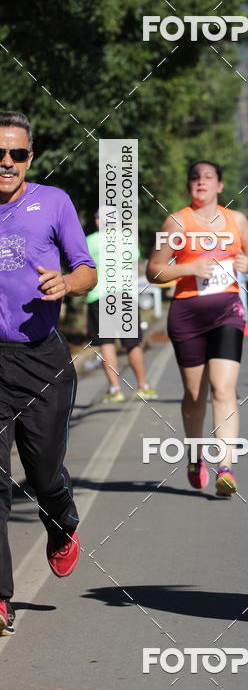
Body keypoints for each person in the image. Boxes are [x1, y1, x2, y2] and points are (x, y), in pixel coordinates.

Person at [0, 111, 97, 637]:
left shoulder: (52, 203)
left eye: (16, 153)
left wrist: (67, 283)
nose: (6, 163)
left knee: (41, 474)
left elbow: (87, 268)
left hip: (40, 358)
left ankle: (61, 519)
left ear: (29, 158)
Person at [146, 160, 248, 496]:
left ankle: (225, 466)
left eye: (208, 177)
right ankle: (196, 454)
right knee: (195, 395)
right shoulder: (175, 222)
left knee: (223, 388)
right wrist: (190, 268)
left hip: (227, 311)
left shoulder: (236, 221)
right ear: (189, 186)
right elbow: (154, 271)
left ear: (220, 186)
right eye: (195, 178)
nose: (201, 182)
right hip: (187, 315)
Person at [86, 209, 156, 403]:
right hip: (125, 295)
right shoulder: (127, 239)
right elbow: (135, 261)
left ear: (99, 221)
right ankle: (143, 386)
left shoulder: (90, 241)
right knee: (132, 343)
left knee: (106, 343)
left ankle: (115, 388)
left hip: (100, 296)